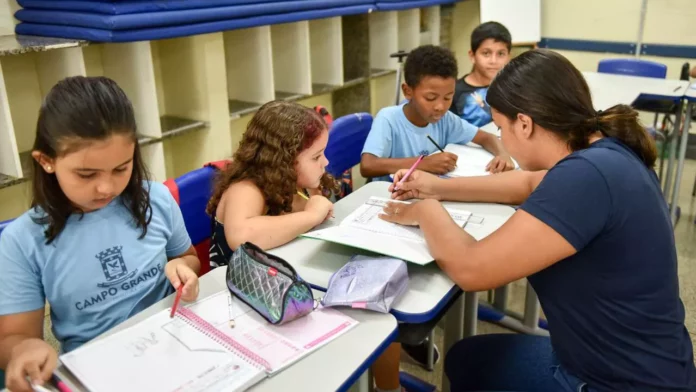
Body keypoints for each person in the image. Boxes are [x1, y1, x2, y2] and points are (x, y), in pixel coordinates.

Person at [381, 49, 696, 391]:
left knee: (466, 361)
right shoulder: (601, 151)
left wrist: (427, 210)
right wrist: (439, 188)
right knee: (468, 357)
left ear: (525, 124)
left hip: (614, 381)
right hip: (642, 363)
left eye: (502, 128)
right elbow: (529, 183)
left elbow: (472, 269)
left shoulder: (584, 177)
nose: (503, 140)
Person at [0, 76, 201, 392]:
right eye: (86, 174)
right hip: (97, 372)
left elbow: (187, 258)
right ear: (46, 161)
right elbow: (15, 337)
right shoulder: (21, 241)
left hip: (177, 346)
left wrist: (184, 270)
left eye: (122, 168)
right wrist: (23, 350)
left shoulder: (156, 199)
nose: (107, 187)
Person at [206, 100, 337, 264]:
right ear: (284, 160)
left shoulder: (300, 184)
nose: (325, 162)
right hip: (236, 284)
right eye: (316, 157)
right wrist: (311, 215)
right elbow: (241, 236)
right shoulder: (245, 189)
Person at [360, 45, 513, 182]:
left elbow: (487, 137)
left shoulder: (445, 120)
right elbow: (367, 166)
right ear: (408, 91)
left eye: (448, 97)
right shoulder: (388, 119)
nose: (440, 106)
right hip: (389, 197)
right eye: (430, 98)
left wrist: (503, 155)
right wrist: (423, 163)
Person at [450, 21, 512, 127]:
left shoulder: (513, 89)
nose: (493, 61)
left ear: (509, 56)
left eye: (501, 54)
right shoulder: (453, 92)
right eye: (486, 53)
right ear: (472, 56)